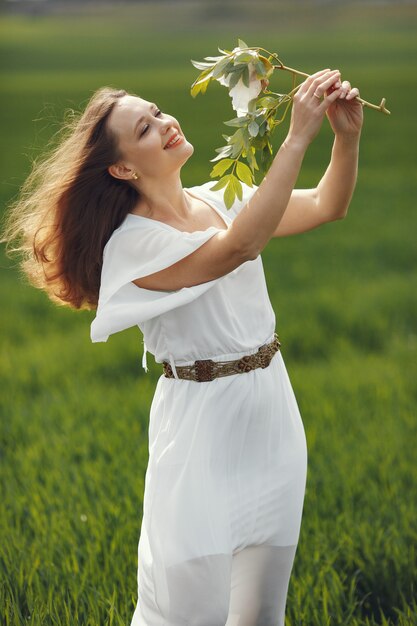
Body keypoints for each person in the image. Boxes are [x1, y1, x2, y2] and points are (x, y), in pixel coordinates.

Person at [1, 68, 363, 625]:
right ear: (122, 168)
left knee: (261, 614)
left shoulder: (222, 194)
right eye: (145, 130)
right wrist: (295, 138)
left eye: (158, 112)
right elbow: (239, 246)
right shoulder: (133, 245)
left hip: (271, 412)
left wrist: (346, 136)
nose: (166, 124)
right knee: (185, 612)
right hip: (201, 428)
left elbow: (325, 205)